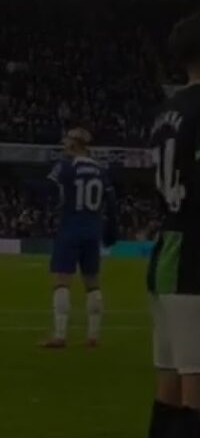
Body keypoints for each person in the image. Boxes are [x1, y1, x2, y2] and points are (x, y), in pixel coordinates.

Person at [146, 11, 200, 438]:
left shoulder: (167, 110)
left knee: (168, 384)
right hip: (193, 257)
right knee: (198, 386)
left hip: (165, 253)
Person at [41, 127, 118, 349]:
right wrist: (111, 230)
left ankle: (60, 335)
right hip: (93, 229)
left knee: (62, 280)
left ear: (75, 144)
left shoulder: (65, 166)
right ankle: (93, 336)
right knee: (92, 282)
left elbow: (50, 188)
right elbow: (112, 203)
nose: (64, 145)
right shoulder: (101, 171)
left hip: (70, 227)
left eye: (67, 142)